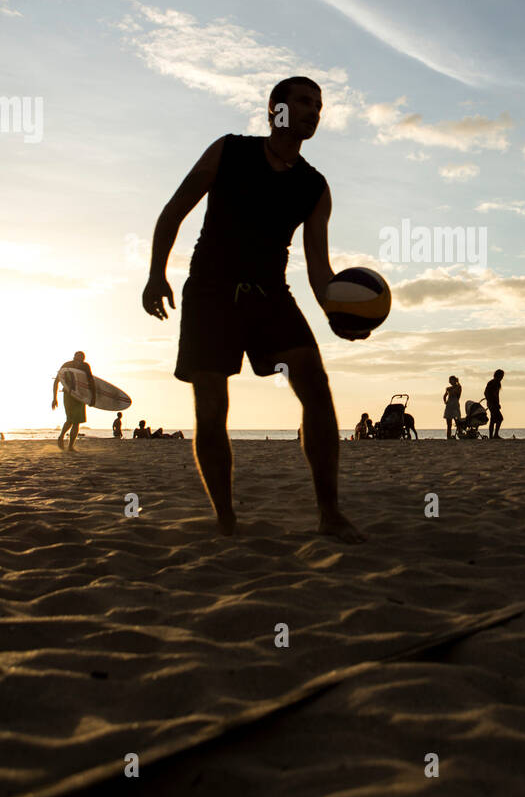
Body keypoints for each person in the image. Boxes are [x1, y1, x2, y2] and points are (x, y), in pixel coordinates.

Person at [141, 76, 367, 542]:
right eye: (304, 101)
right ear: (275, 109)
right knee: (211, 406)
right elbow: (175, 208)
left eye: (319, 105)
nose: (313, 111)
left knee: (316, 388)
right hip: (210, 292)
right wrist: (155, 273)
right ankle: (226, 520)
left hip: (270, 294)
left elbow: (320, 269)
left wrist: (336, 314)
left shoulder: (314, 187)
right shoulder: (230, 150)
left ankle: (330, 513)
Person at [51, 351, 96, 452]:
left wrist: (93, 397)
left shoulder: (85, 366)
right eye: (77, 358)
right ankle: (61, 437)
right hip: (69, 394)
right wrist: (54, 398)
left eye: (81, 358)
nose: (79, 360)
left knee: (77, 421)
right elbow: (57, 381)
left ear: (83, 359)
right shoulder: (67, 365)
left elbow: (91, 381)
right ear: (74, 357)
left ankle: (70, 446)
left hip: (81, 396)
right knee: (70, 419)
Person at [484, 369, 505, 439]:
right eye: (501, 376)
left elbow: (496, 394)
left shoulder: (496, 383)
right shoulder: (494, 383)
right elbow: (489, 394)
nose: (502, 377)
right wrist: (493, 402)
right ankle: (494, 435)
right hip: (492, 404)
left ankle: (493, 435)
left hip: (493, 404)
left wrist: (497, 403)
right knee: (499, 418)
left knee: (494, 419)